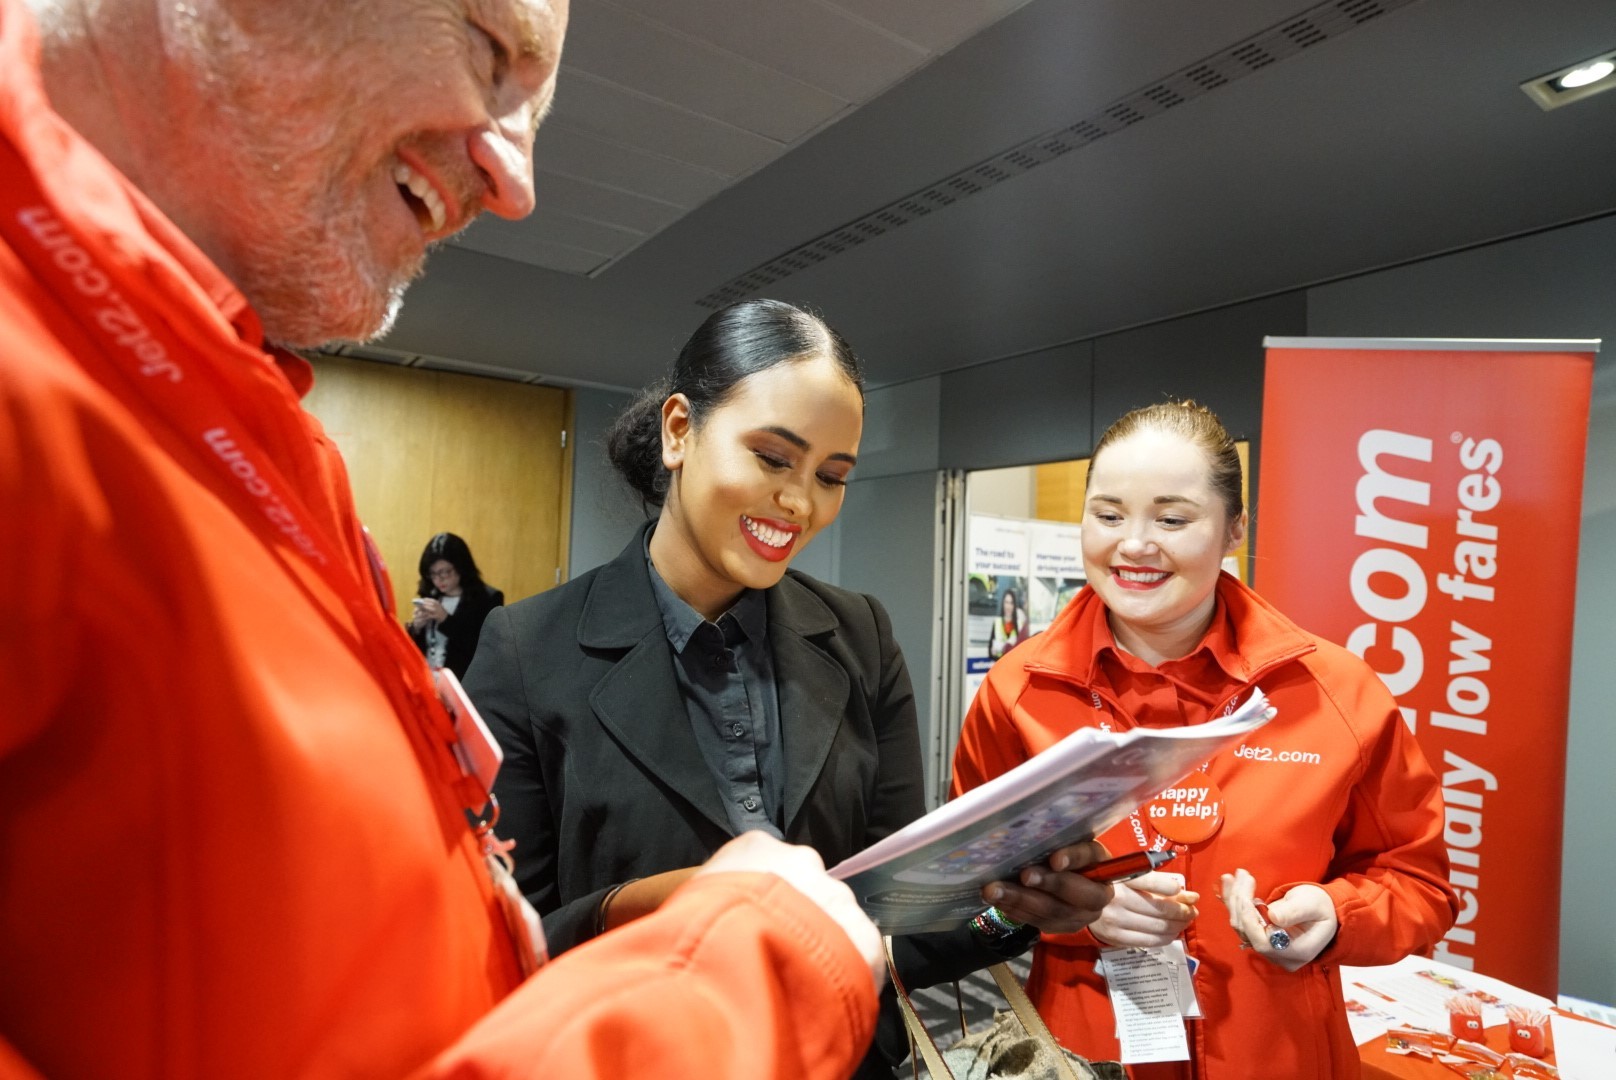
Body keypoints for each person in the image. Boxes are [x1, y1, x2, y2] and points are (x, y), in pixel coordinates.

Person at [0, 0, 896, 1075]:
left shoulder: (247, 426)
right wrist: (748, 965)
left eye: (832, 476)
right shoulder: (56, 391)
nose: (516, 181)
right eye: (487, 54)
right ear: (678, 435)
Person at [464, 298, 1114, 1078]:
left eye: (831, 476)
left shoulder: (860, 637)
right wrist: (678, 901)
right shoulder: (527, 652)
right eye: (774, 458)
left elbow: (888, 919)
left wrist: (1006, 908)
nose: (801, 503)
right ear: (679, 431)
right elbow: (502, 949)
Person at [951, 400, 1458, 1079]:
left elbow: (1422, 884)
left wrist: (1337, 915)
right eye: (1107, 514)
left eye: (1171, 518)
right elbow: (970, 896)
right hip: (1084, 1053)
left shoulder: (1336, 693)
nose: (1133, 544)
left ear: (1233, 530)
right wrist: (1069, 913)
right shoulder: (1018, 693)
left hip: (1278, 1054)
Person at [410, 532, 505, 680]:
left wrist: (445, 619)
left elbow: (485, 650)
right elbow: (417, 649)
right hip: (428, 683)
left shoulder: (487, 598)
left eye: (445, 572)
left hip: (464, 685)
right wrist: (415, 628)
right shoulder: (431, 595)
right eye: (433, 574)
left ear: (461, 567)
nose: (438, 579)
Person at [987, 585, 1029, 658]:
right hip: (1000, 664)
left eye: (1011, 603)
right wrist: (994, 651)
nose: (1008, 606)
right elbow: (990, 652)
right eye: (1006, 602)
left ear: (1014, 605)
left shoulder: (1019, 624)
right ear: (1003, 603)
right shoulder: (997, 622)